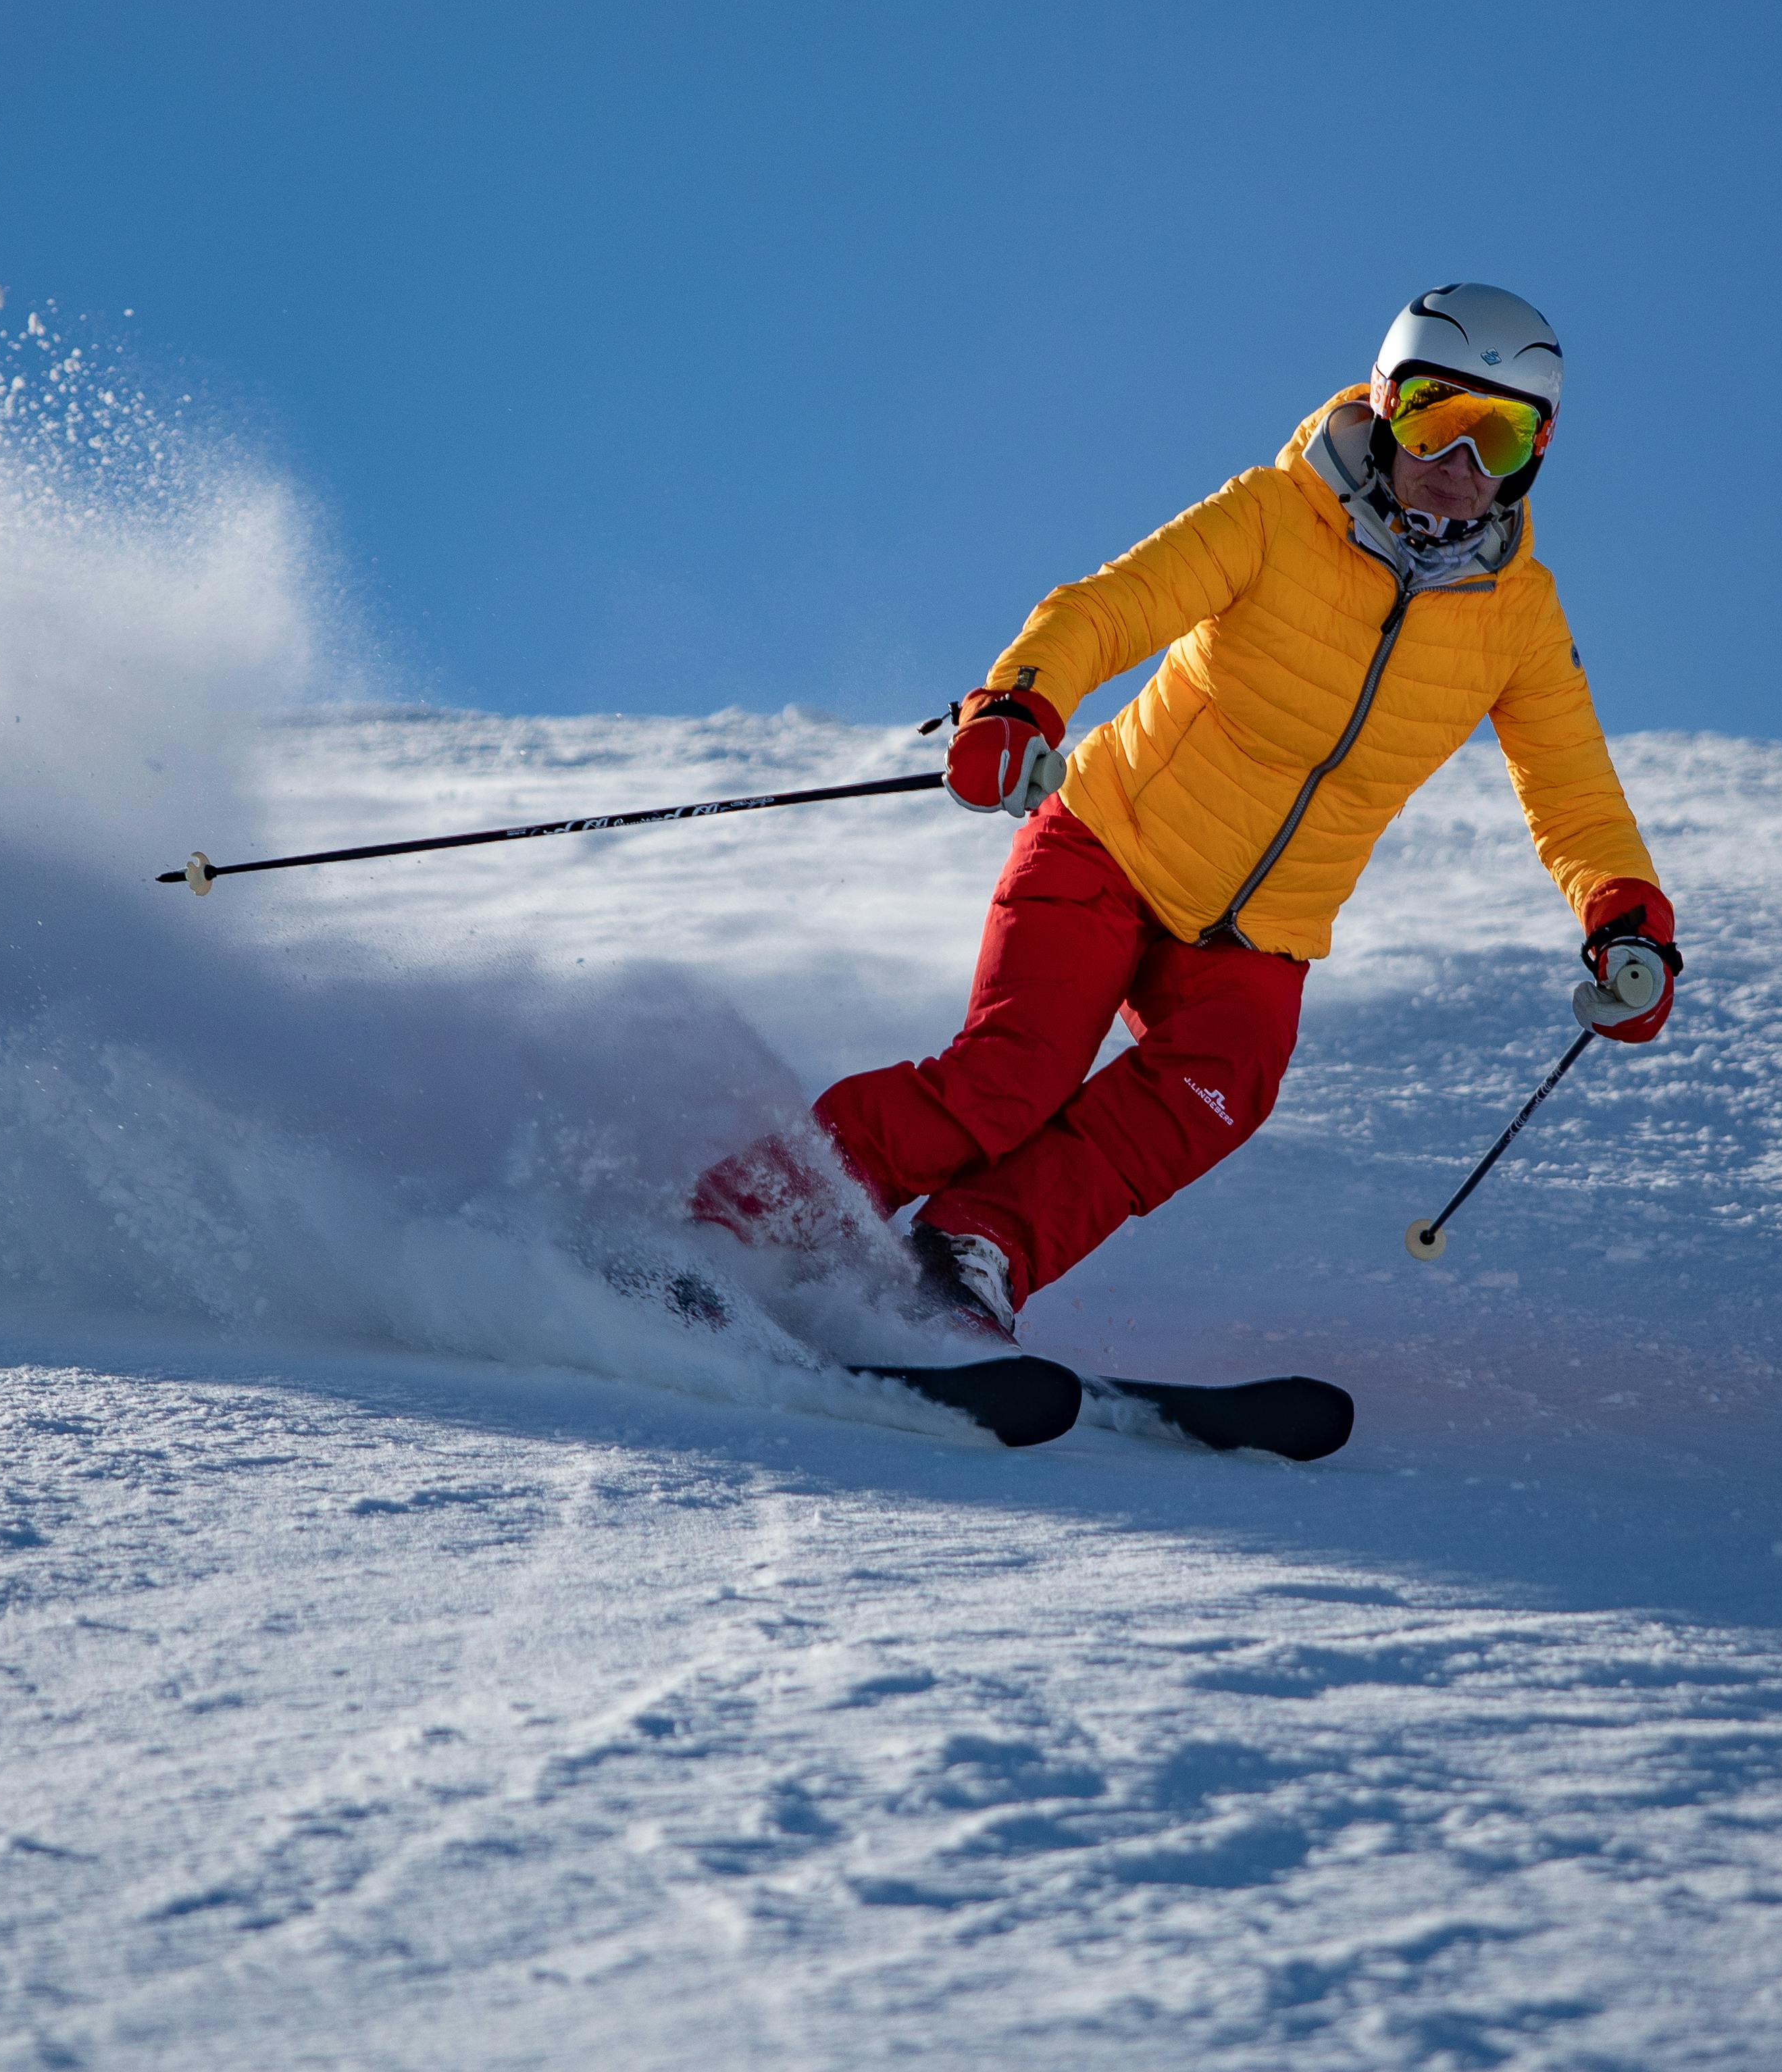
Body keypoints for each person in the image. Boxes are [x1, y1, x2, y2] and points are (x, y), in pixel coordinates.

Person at [693, 284, 1680, 1337]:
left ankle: (969, 1253)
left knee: (1219, 1088)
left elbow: (1570, 783)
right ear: (1388, 406)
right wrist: (1018, 706)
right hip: (1110, 845)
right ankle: (740, 1224)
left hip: (1261, 932)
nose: (1461, 462)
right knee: (1009, 1078)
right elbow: (1109, 607)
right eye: (1439, 418)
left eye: (1502, 434)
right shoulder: (1274, 515)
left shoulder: (1518, 617)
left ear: (1538, 450)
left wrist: (1625, 919)